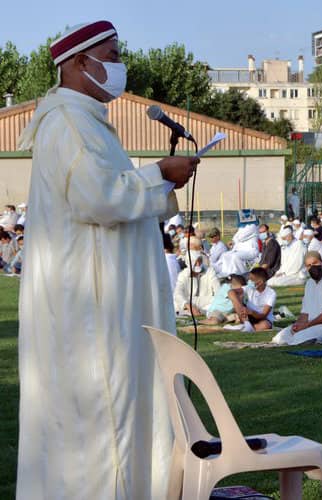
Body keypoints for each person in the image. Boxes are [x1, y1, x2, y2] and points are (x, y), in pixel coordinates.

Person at [14, 21, 201, 499]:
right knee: (102, 430)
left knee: (117, 421)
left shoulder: (86, 121)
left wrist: (161, 183)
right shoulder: (68, 123)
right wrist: (159, 172)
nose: (120, 66)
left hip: (106, 307)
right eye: (112, 54)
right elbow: (99, 198)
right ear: (79, 63)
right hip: (93, 316)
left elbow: (113, 196)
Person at [272, 251, 322, 345]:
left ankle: (319, 339)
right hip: (311, 324)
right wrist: (297, 325)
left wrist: (306, 326)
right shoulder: (309, 284)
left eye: (315, 263)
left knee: (299, 337)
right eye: (309, 265)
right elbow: (305, 313)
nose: (312, 267)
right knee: (279, 338)